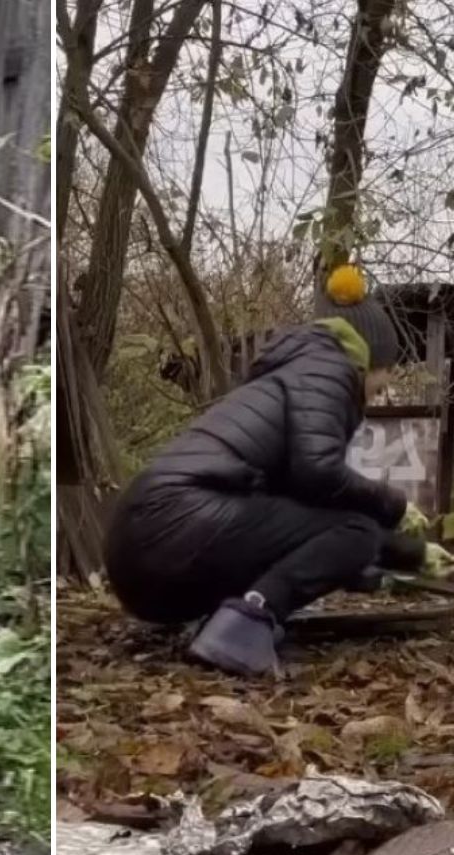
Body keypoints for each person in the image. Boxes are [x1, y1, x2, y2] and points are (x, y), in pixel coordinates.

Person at [103, 265, 423, 677]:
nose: (382, 390)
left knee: (350, 532)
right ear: (369, 358)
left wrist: (404, 555)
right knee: (357, 530)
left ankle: (225, 619)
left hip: (138, 550)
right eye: (384, 377)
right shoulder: (329, 370)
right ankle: (243, 628)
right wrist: (393, 505)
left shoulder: (291, 369)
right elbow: (317, 473)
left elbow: (298, 517)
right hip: (173, 527)